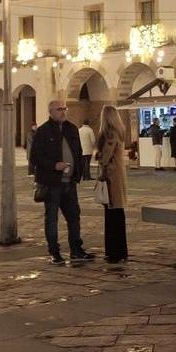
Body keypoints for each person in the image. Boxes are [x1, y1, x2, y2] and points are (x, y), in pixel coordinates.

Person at [30, 100, 94, 265]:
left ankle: (76, 250)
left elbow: (78, 152)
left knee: (74, 217)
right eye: (59, 109)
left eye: (64, 109)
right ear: (51, 111)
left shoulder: (71, 129)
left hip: (69, 182)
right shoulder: (43, 131)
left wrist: (77, 172)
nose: (63, 112)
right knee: (51, 218)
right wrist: (53, 165)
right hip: (52, 183)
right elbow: (35, 157)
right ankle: (54, 252)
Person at [96, 105, 130, 263]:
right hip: (118, 175)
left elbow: (106, 156)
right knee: (117, 213)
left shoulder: (110, 133)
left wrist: (100, 157)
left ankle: (114, 251)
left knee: (112, 214)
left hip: (111, 176)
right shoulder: (120, 132)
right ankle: (121, 250)